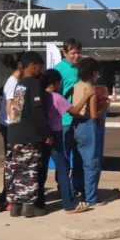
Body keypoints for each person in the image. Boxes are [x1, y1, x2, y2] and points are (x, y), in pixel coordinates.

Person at [39, 69, 93, 214]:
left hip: (41, 135)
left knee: (42, 168)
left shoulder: (41, 95)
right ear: (55, 83)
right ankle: (69, 203)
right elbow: (74, 110)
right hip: (55, 135)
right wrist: (86, 96)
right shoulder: (56, 98)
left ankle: (39, 201)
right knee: (63, 169)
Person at [5, 52, 50, 218]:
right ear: (33, 66)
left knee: (15, 171)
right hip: (29, 134)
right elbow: (37, 110)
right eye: (39, 67)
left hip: (14, 133)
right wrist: (45, 132)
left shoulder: (19, 84)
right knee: (30, 169)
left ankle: (15, 206)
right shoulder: (34, 83)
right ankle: (29, 207)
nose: (40, 70)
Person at [69, 57, 108, 208]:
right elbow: (93, 114)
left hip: (75, 126)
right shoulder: (90, 89)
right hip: (87, 126)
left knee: (78, 162)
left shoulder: (76, 86)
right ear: (94, 73)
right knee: (91, 163)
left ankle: (72, 191)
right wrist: (103, 108)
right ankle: (91, 197)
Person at [54, 39, 84, 198]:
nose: (77, 56)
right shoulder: (58, 70)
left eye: (79, 53)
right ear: (64, 53)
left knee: (79, 156)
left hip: (80, 119)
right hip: (64, 120)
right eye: (73, 53)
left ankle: (76, 186)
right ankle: (64, 189)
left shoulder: (81, 68)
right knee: (64, 157)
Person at [0, 53, 23, 207]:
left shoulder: (14, 81)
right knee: (12, 163)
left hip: (7, 126)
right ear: (21, 65)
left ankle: (7, 196)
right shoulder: (13, 83)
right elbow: (9, 108)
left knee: (12, 163)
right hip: (9, 127)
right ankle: (5, 198)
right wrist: (18, 124)